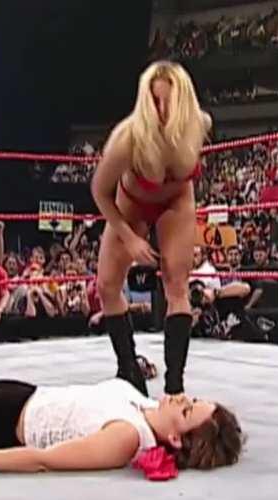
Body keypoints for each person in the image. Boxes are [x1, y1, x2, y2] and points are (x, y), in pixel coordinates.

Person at [91, 61, 212, 397]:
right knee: (107, 285)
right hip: (131, 203)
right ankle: (129, 370)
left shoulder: (199, 125)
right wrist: (129, 238)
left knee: (177, 283)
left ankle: (175, 388)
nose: (160, 110)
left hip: (177, 201)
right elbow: (99, 191)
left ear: (183, 101)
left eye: (167, 102)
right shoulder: (128, 138)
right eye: (154, 101)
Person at [0, 377, 242, 474]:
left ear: (175, 438)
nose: (182, 398)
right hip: (22, 393)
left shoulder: (127, 436)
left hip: (0, 422)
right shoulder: (148, 406)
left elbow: (44, 460)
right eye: (193, 399)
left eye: (187, 410)